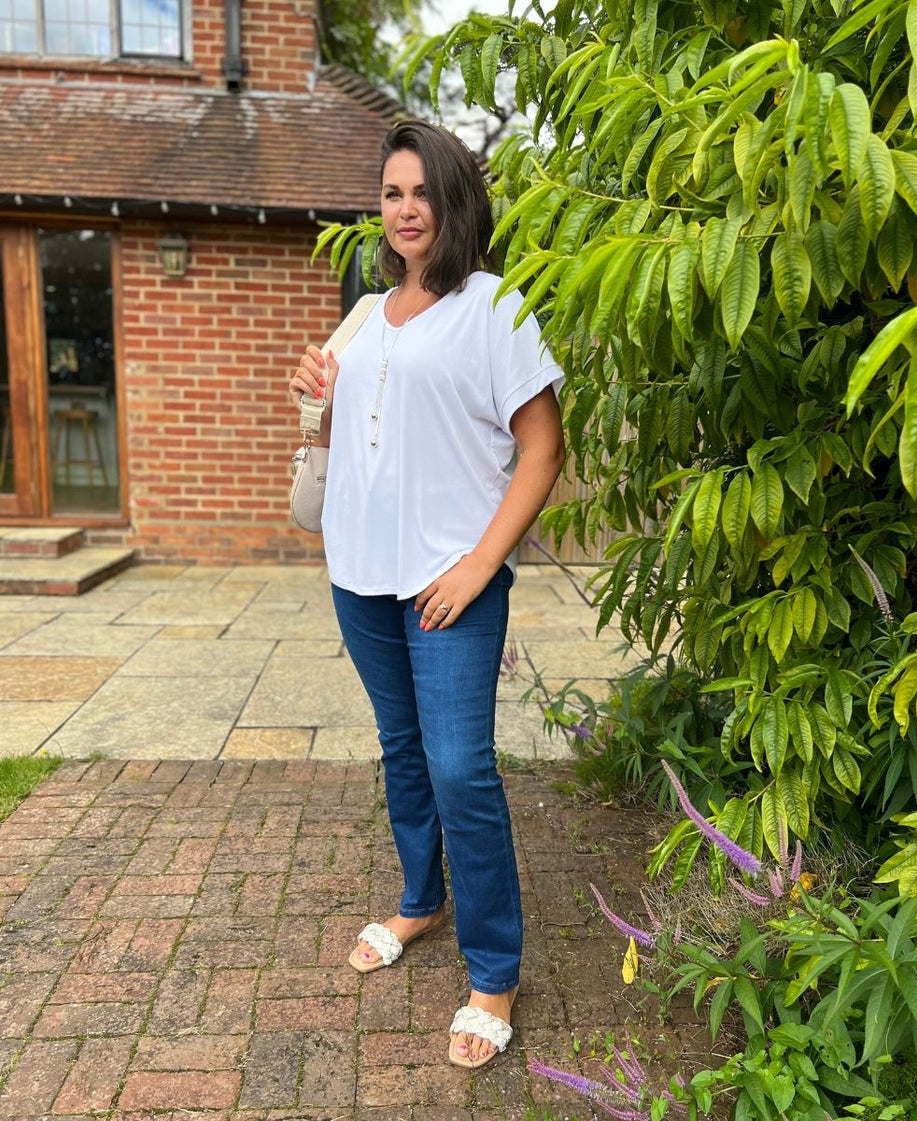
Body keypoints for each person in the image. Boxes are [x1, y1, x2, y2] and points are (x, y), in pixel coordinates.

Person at [288, 120, 565, 1068]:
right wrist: (313, 397)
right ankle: (421, 901)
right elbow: (343, 442)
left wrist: (482, 564)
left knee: (460, 768)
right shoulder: (364, 313)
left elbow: (541, 449)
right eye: (392, 193)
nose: (406, 210)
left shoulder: (499, 309)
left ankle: (495, 970)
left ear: (456, 202)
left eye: (424, 192)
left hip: (452, 581)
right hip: (357, 570)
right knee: (401, 748)